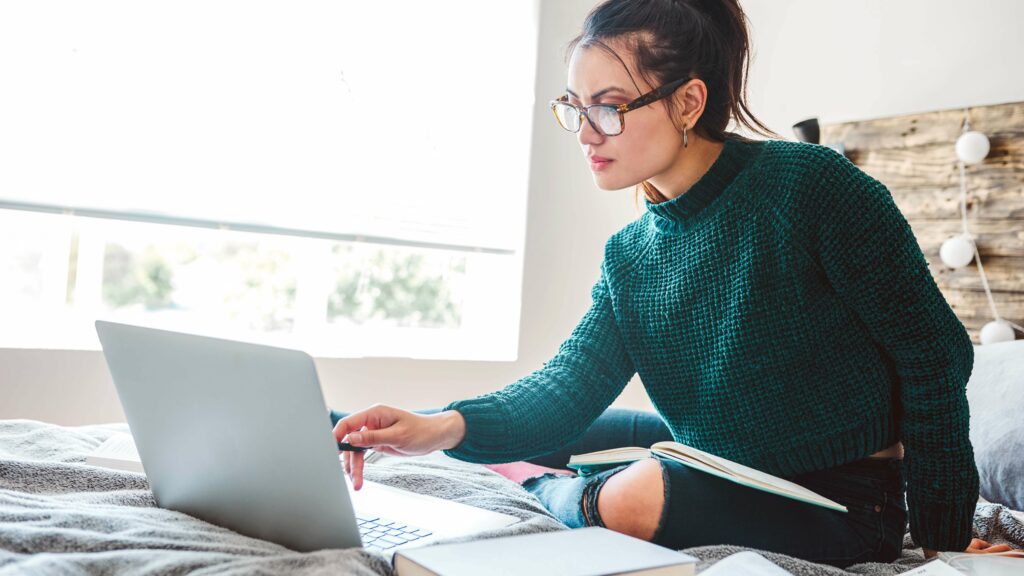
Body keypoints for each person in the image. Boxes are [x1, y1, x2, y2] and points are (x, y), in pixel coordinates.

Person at [331, 0, 1022, 568]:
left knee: (641, 492)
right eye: (575, 106)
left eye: (609, 106)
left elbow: (936, 356)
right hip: (712, 455)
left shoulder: (812, 189)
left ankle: (550, 490)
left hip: (842, 502)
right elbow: (567, 387)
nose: (586, 131)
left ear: (689, 101)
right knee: (577, 427)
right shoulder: (629, 255)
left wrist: (943, 536)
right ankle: (366, 426)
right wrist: (437, 426)